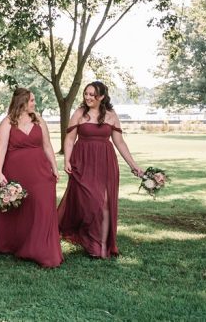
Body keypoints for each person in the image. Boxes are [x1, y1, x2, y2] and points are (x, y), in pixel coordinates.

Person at [57, 81, 143, 258]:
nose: (88, 97)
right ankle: (87, 237)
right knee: (89, 202)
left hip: (105, 163)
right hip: (82, 162)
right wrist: (67, 159)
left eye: (92, 94)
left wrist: (134, 166)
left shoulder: (111, 115)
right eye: (86, 94)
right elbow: (69, 139)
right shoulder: (80, 113)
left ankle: (101, 245)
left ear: (102, 97)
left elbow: (119, 142)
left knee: (104, 203)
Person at [0, 87, 62, 268]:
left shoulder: (38, 120)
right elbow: (1, 149)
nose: (34, 103)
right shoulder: (8, 122)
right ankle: (14, 244)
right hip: (16, 171)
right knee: (21, 209)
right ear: (22, 102)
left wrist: (55, 168)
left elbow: (47, 146)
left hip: (41, 171)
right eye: (31, 100)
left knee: (43, 207)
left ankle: (43, 249)